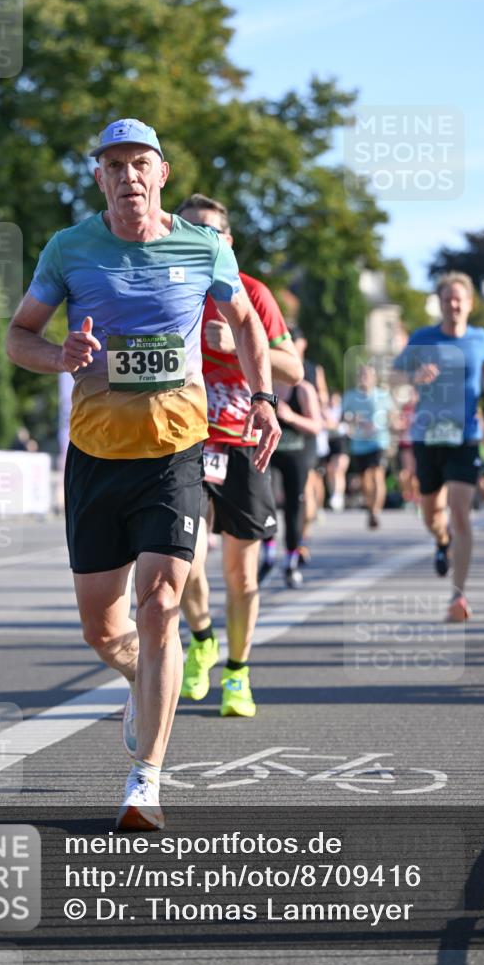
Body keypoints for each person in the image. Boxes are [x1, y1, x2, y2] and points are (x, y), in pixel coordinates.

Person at [5, 121, 281, 830]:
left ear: (161, 174)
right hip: (96, 456)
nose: (128, 175)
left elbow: (246, 323)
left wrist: (261, 397)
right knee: (104, 629)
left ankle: (145, 781)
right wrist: (60, 354)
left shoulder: (205, 245)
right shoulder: (69, 248)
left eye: (140, 163)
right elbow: (18, 337)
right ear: (99, 177)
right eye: (114, 164)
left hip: (175, 452)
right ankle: (138, 678)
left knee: (160, 603)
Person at [173, 194, 302, 717]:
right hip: (187, 440)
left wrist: (234, 346)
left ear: (227, 241)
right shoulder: (172, 289)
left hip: (245, 443)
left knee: (242, 577)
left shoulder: (252, 293)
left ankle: (238, 674)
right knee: (185, 561)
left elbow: (291, 369)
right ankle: (202, 637)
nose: (202, 238)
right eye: (191, 229)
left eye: (212, 231)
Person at [393, 272, 484, 621]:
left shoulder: (480, 338)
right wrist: (414, 377)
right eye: (447, 300)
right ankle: (441, 541)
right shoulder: (422, 338)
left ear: (470, 303)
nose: (453, 305)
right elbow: (394, 376)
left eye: (459, 299)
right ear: (440, 303)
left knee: (460, 513)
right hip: (427, 436)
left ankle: (458, 596)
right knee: (432, 515)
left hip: (466, 436)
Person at [260, 345, 322, 589]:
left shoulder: (303, 390)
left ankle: (291, 561)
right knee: (266, 500)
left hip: (298, 453)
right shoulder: (265, 387)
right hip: (271, 452)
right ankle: (268, 555)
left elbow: (317, 426)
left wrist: (291, 417)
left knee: (295, 506)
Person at [342, 363, 393, 529]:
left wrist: (380, 423)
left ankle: (375, 511)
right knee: (365, 480)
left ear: (374, 378)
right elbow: (343, 416)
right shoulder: (350, 396)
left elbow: (392, 417)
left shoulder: (383, 395)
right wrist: (352, 419)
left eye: (368, 375)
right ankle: (370, 508)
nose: (365, 378)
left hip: (379, 441)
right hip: (359, 443)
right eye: (362, 375)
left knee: (378, 474)